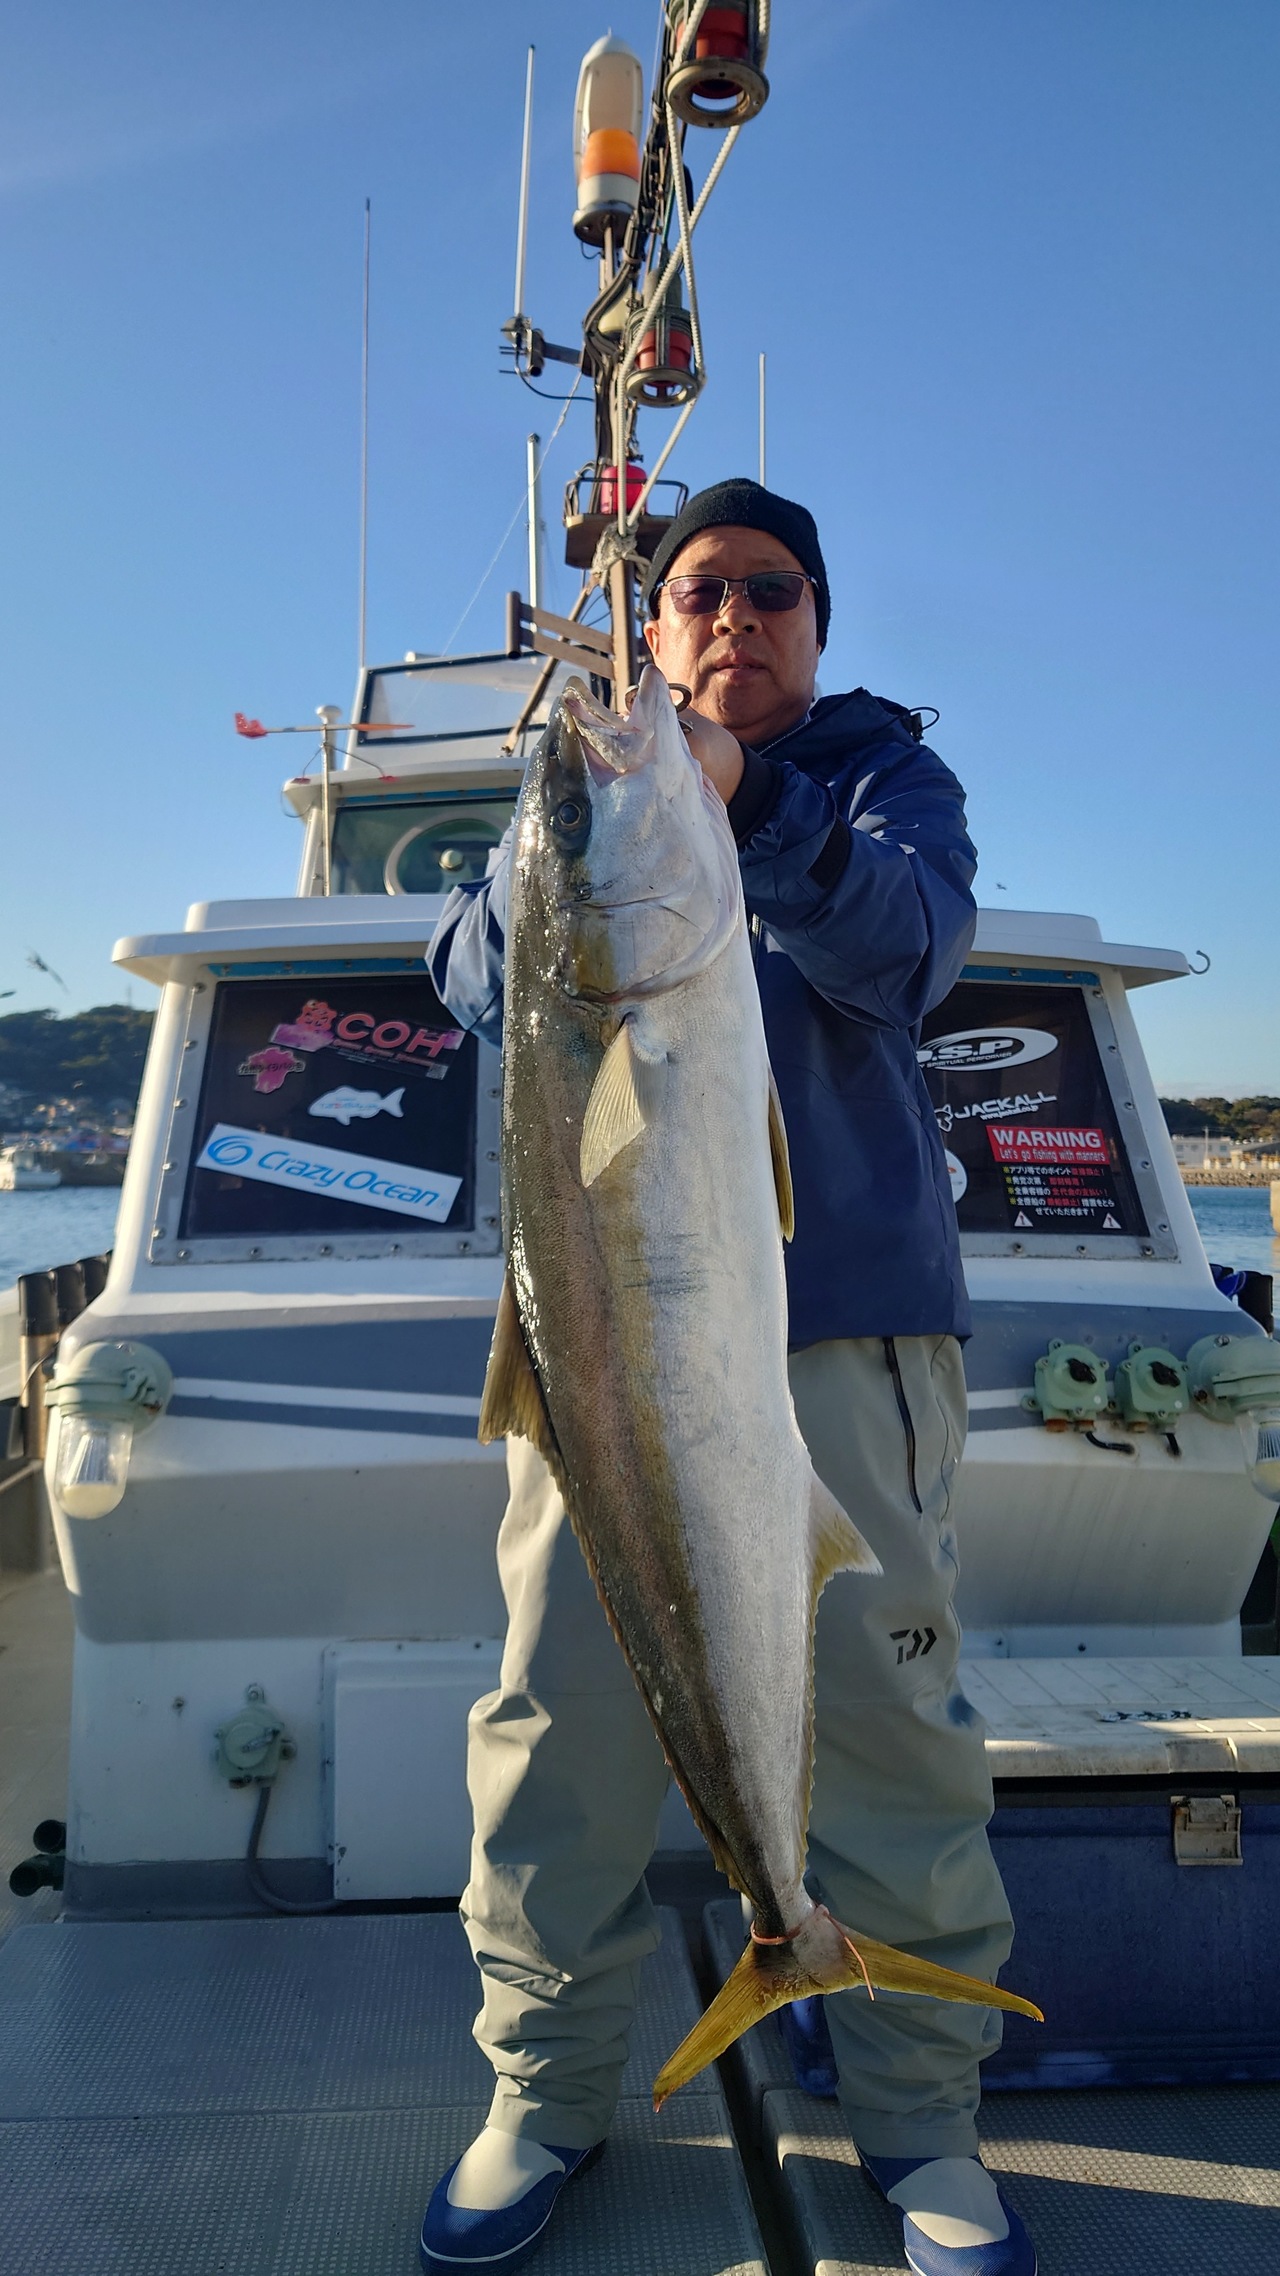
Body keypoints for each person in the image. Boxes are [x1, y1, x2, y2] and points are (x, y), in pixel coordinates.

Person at [418, 479, 1035, 2276]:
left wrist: (746, 799)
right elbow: (470, 974)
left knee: (893, 1734)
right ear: (657, 626)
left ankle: (921, 2120)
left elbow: (910, 949)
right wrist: (574, 824)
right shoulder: (588, 803)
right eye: (698, 592)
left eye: (772, 590)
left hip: (844, 1338)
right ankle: (545, 2091)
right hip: (601, 1343)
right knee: (558, 1723)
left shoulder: (879, 784)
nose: (732, 618)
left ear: (818, 621)